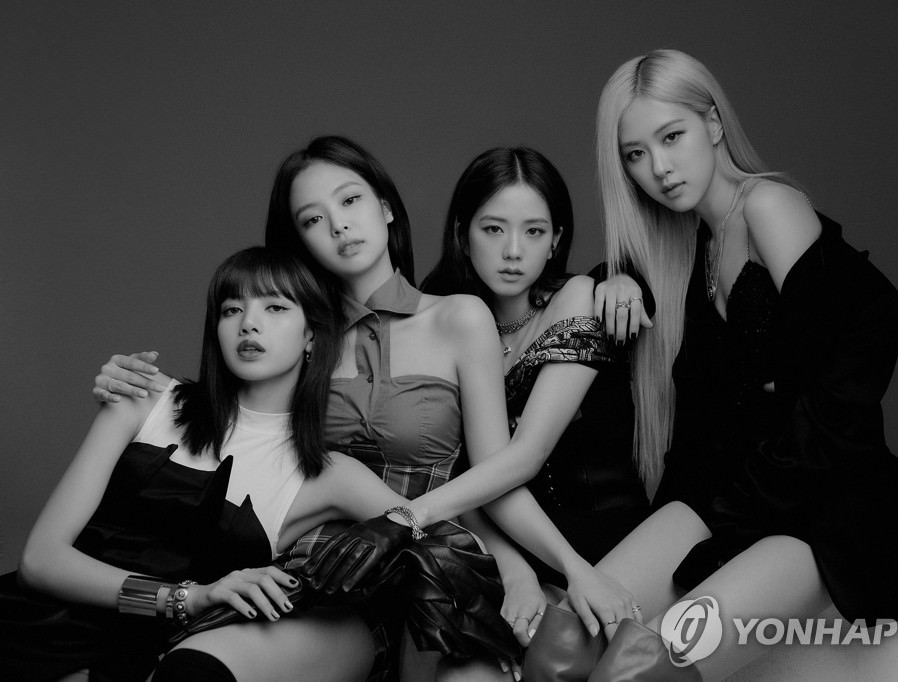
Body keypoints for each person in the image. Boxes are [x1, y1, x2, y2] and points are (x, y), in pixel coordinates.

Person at [92, 136, 637, 680]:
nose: (339, 226)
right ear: (299, 240)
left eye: (350, 201)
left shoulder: (459, 318)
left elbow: (495, 474)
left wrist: (546, 569)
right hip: (328, 571)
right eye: (313, 219)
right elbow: (233, 415)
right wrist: (143, 388)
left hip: (437, 562)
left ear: (386, 207)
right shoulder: (301, 334)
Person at [525, 49, 898, 681]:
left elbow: (861, 339)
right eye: (635, 154)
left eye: (672, 137)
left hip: (819, 507)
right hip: (722, 497)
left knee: (639, 672)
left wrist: (737, 525)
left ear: (713, 123)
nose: (659, 168)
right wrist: (615, 279)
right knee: (561, 648)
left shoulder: (768, 206)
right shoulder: (691, 251)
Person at [0, 247, 422, 681]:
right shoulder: (145, 398)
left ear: (311, 335)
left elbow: (430, 532)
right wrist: (185, 598)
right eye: (231, 309)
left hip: (153, 659)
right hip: (27, 626)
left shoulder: (329, 475)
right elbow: (40, 561)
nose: (248, 323)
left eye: (275, 307)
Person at [418, 147, 650, 678]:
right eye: (493, 229)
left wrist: (570, 571)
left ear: (557, 241)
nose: (513, 251)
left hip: (607, 538)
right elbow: (455, 469)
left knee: (560, 658)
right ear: (462, 234)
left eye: (535, 232)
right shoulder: (444, 322)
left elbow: (524, 456)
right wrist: (515, 569)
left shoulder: (577, 296)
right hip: (508, 546)